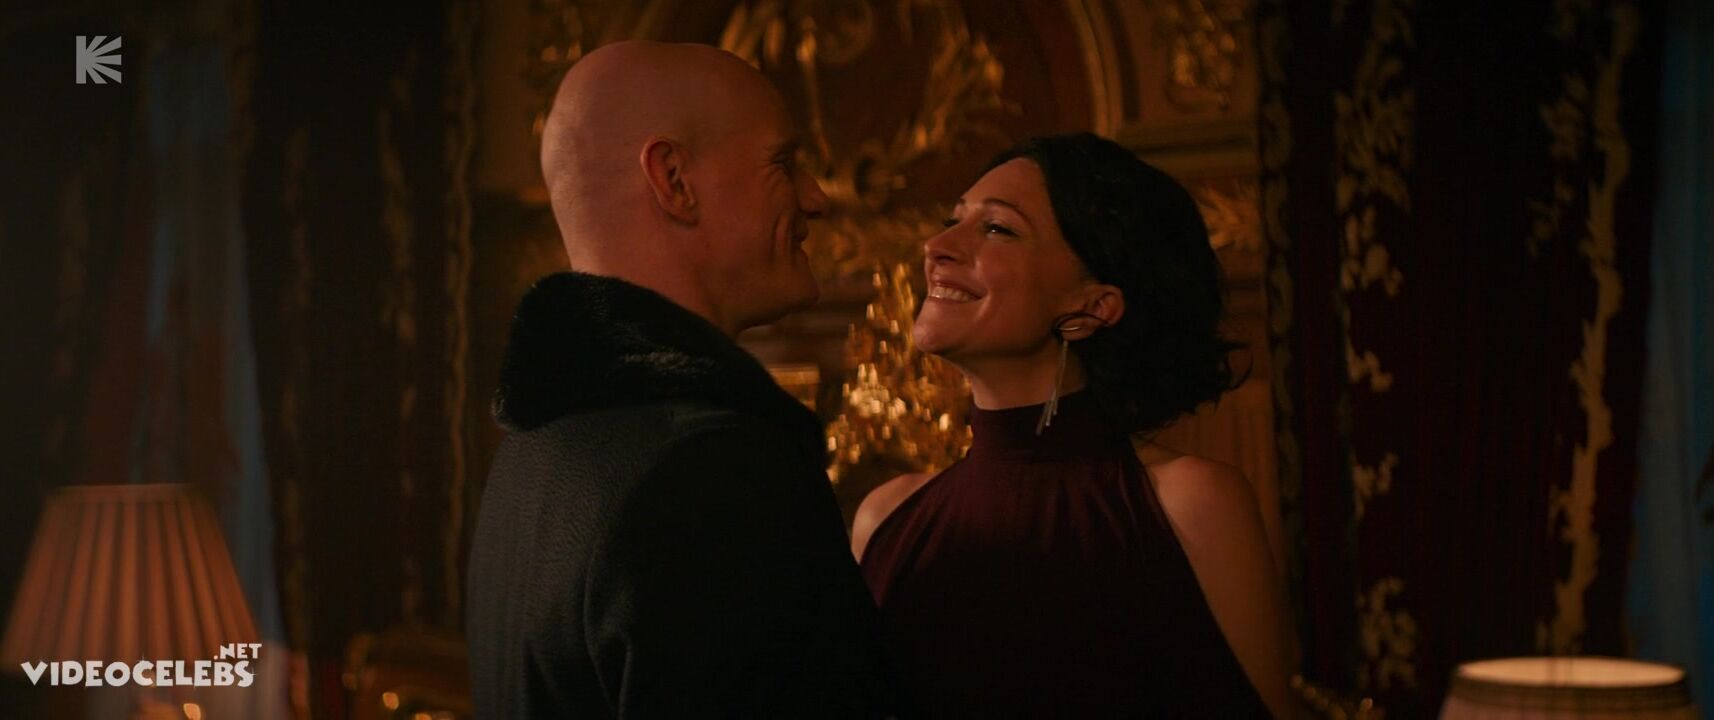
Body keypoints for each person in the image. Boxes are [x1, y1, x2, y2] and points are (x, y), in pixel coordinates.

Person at [466, 41, 894, 718]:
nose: (815, 197)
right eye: (783, 163)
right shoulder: (713, 469)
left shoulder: (530, 454)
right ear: (674, 180)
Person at [851, 133, 1297, 718]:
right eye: (952, 221)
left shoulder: (1191, 504)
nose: (936, 246)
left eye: (997, 228)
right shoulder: (885, 519)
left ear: (1092, 307)